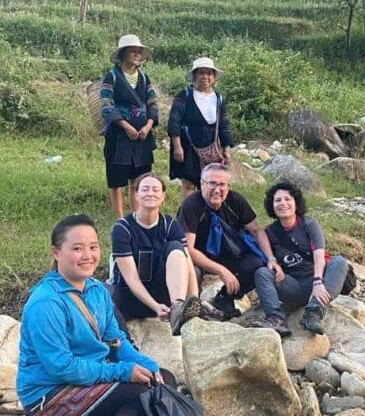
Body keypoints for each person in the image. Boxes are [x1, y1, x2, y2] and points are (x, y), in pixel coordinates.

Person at [16, 214, 200, 416]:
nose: (87, 255)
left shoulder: (98, 291)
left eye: (93, 247)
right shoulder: (45, 303)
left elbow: (117, 342)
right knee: (139, 392)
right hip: (52, 395)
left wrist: (146, 366)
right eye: (77, 248)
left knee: (161, 380)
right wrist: (123, 372)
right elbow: (63, 367)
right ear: (56, 253)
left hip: (90, 381)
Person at [176, 162, 290, 335]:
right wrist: (221, 271)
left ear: (228, 186)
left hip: (230, 252)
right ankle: (191, 312)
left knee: (258, 264)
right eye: (212, 183)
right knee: (191, 270)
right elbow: (188, 249)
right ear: (202, 183)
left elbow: (257, 231)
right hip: (199, 256)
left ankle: (224, 299)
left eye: (222, 184)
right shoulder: (191, 205)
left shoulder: (235, 200)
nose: (217, 189)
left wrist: (271, 258)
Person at [260, 181, 349, 335]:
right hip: (292, 285)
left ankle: (313, 313)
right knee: (262, 272)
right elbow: (267, 257)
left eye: (287, 199)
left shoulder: (309, 224)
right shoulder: (270, 232)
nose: (283, 203)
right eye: (278, 200)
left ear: (296, 202)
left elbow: (319, 255)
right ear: (272, 205)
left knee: (339, 262)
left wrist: (318, 282)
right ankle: (276, 319)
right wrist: (273, 262)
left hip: (314, 281)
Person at [111, 173, 201, 326]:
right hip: (131, 296)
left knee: (176, 248)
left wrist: (194, 301)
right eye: (145, 190)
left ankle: (178, 307)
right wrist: (155, 306)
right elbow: (131, 278)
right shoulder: (122, 228)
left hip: (163, 294)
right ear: (136, 195)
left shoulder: (170, 224)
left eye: (155, 189)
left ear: (163, 196)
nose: (150, 193)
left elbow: (187, 263)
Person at [101, 34, 158, 219]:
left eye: (139, 51)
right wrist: (126, 126)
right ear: (123, 53)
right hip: (118, 136)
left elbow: (152, 103)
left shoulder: (144, 77)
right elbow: (106, 105)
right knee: (116, 179)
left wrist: (148, 126)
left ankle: (135, 216)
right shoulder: (112, 76)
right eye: (133, 51)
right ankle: (119, 218)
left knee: (139, 178)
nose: (136, 54)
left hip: (142, 136)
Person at [167, 56, 233, 197]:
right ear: (194, 76)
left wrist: (227, 148)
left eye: (209, 73)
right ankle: (187, 216)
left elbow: (223, 125)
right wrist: (177, 146)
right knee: (188, 183)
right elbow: (174, 120)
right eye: (201, 73)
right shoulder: (184, 95)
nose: (205, 77)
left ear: (214, 77)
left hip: (211, 147)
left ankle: (206, 215)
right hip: (187, 146)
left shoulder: (219, 99)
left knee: (210, 183)